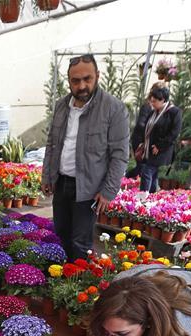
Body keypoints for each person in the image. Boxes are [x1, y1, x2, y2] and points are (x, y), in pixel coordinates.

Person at [42, 54, 130, 260]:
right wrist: (47, 176)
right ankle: (61, 280)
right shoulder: (62, 106)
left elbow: (120, 154)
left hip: (88, 188)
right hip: (61, 183)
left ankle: (76, 285)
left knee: (80, 243)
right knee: (61, 235)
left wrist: (108, 190)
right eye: (75, 80)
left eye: (87, 79)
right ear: (69, 81)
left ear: (97, 76)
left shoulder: (113, 109)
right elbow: (51, 143)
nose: (82, 85)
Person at [136, 86, 182, 193]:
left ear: (163, 100)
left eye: (154, 101)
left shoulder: (174, 112)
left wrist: (159, 146)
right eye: (151, 101)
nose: (152, 103)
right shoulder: (154, 112)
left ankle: (143, 197)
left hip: (161, 149)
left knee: (147, 171)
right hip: (150, 148)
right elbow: (148, 129)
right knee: (153, 173)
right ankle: (152, 196)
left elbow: (174, 133)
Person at [128, 81, 167, 180]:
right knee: (143, 167)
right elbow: (141, 124)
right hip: (140, 140)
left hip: (148, 141)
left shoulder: (158, 108)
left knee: (146, 167)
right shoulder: (148, 106)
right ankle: (125, 178)